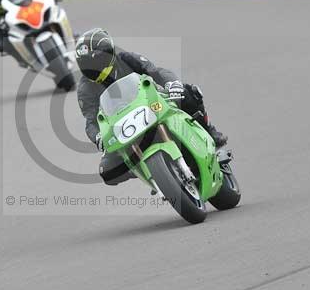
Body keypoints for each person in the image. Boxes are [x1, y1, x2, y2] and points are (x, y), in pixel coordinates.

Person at [74, 28, 228, 185]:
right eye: (85, 64)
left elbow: (154, 71)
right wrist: (98, 137)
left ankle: (209, 129)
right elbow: (91, 120)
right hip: (123, 128)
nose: (90, 68)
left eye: (93, 62)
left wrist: (171, 84)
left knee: (188, 92)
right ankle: (143, 168)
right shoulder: (85, 89)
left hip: (152, 104)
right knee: (107, 171)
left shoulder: (126, 59)